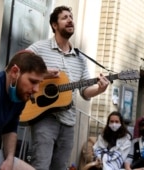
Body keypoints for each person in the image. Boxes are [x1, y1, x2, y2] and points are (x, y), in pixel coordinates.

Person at [26, 6, 110, 170]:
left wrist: (100, 89)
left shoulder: (80, 58)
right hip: (44, 117)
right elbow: (18, 67)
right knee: (40, 165)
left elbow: (85, 92)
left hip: (69, 122)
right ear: (54, 25)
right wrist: (43, 74)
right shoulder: (40, 48)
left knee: (61, 167)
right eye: (65, 17)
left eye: (71, 17)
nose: (70, 20)